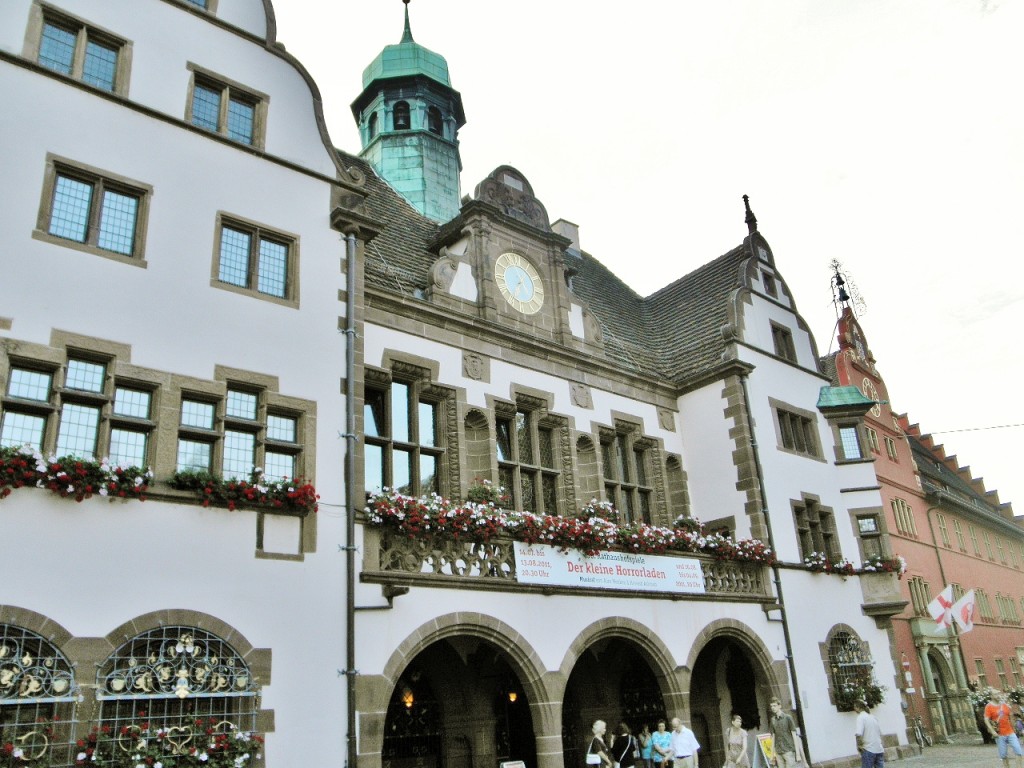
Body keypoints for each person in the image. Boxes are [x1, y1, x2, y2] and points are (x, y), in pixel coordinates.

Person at [985, 692, 1024, 768]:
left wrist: (1015, 728)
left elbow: (1010, 717)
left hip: (1010, 732)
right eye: (996, 694)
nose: (998, 695)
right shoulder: (989, 707)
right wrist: (992, 731)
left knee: (1018, 751)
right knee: (1003, 755)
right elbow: (986, 720)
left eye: (999, 694)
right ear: (992, 696)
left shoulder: (1004, 705)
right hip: (999, 734)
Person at [768, 697, 805, 767]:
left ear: (779, 706)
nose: (773, 708)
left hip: (789, 751)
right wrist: (772, 755)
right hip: (779, 752)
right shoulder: (772, 720)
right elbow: (773, 738)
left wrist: (797, 754)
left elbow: (794, 736)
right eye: (771, 706)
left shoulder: (788, 718)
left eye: (774, 706)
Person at [853, 700, 884, 768]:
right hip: (879, 748)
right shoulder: (873, 717)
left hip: (868, 749)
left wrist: (859, 746)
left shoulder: (860, 717)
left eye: (855, 707)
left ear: (858, 707)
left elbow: (858, 734)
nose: (854, 709)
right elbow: (880, 733)